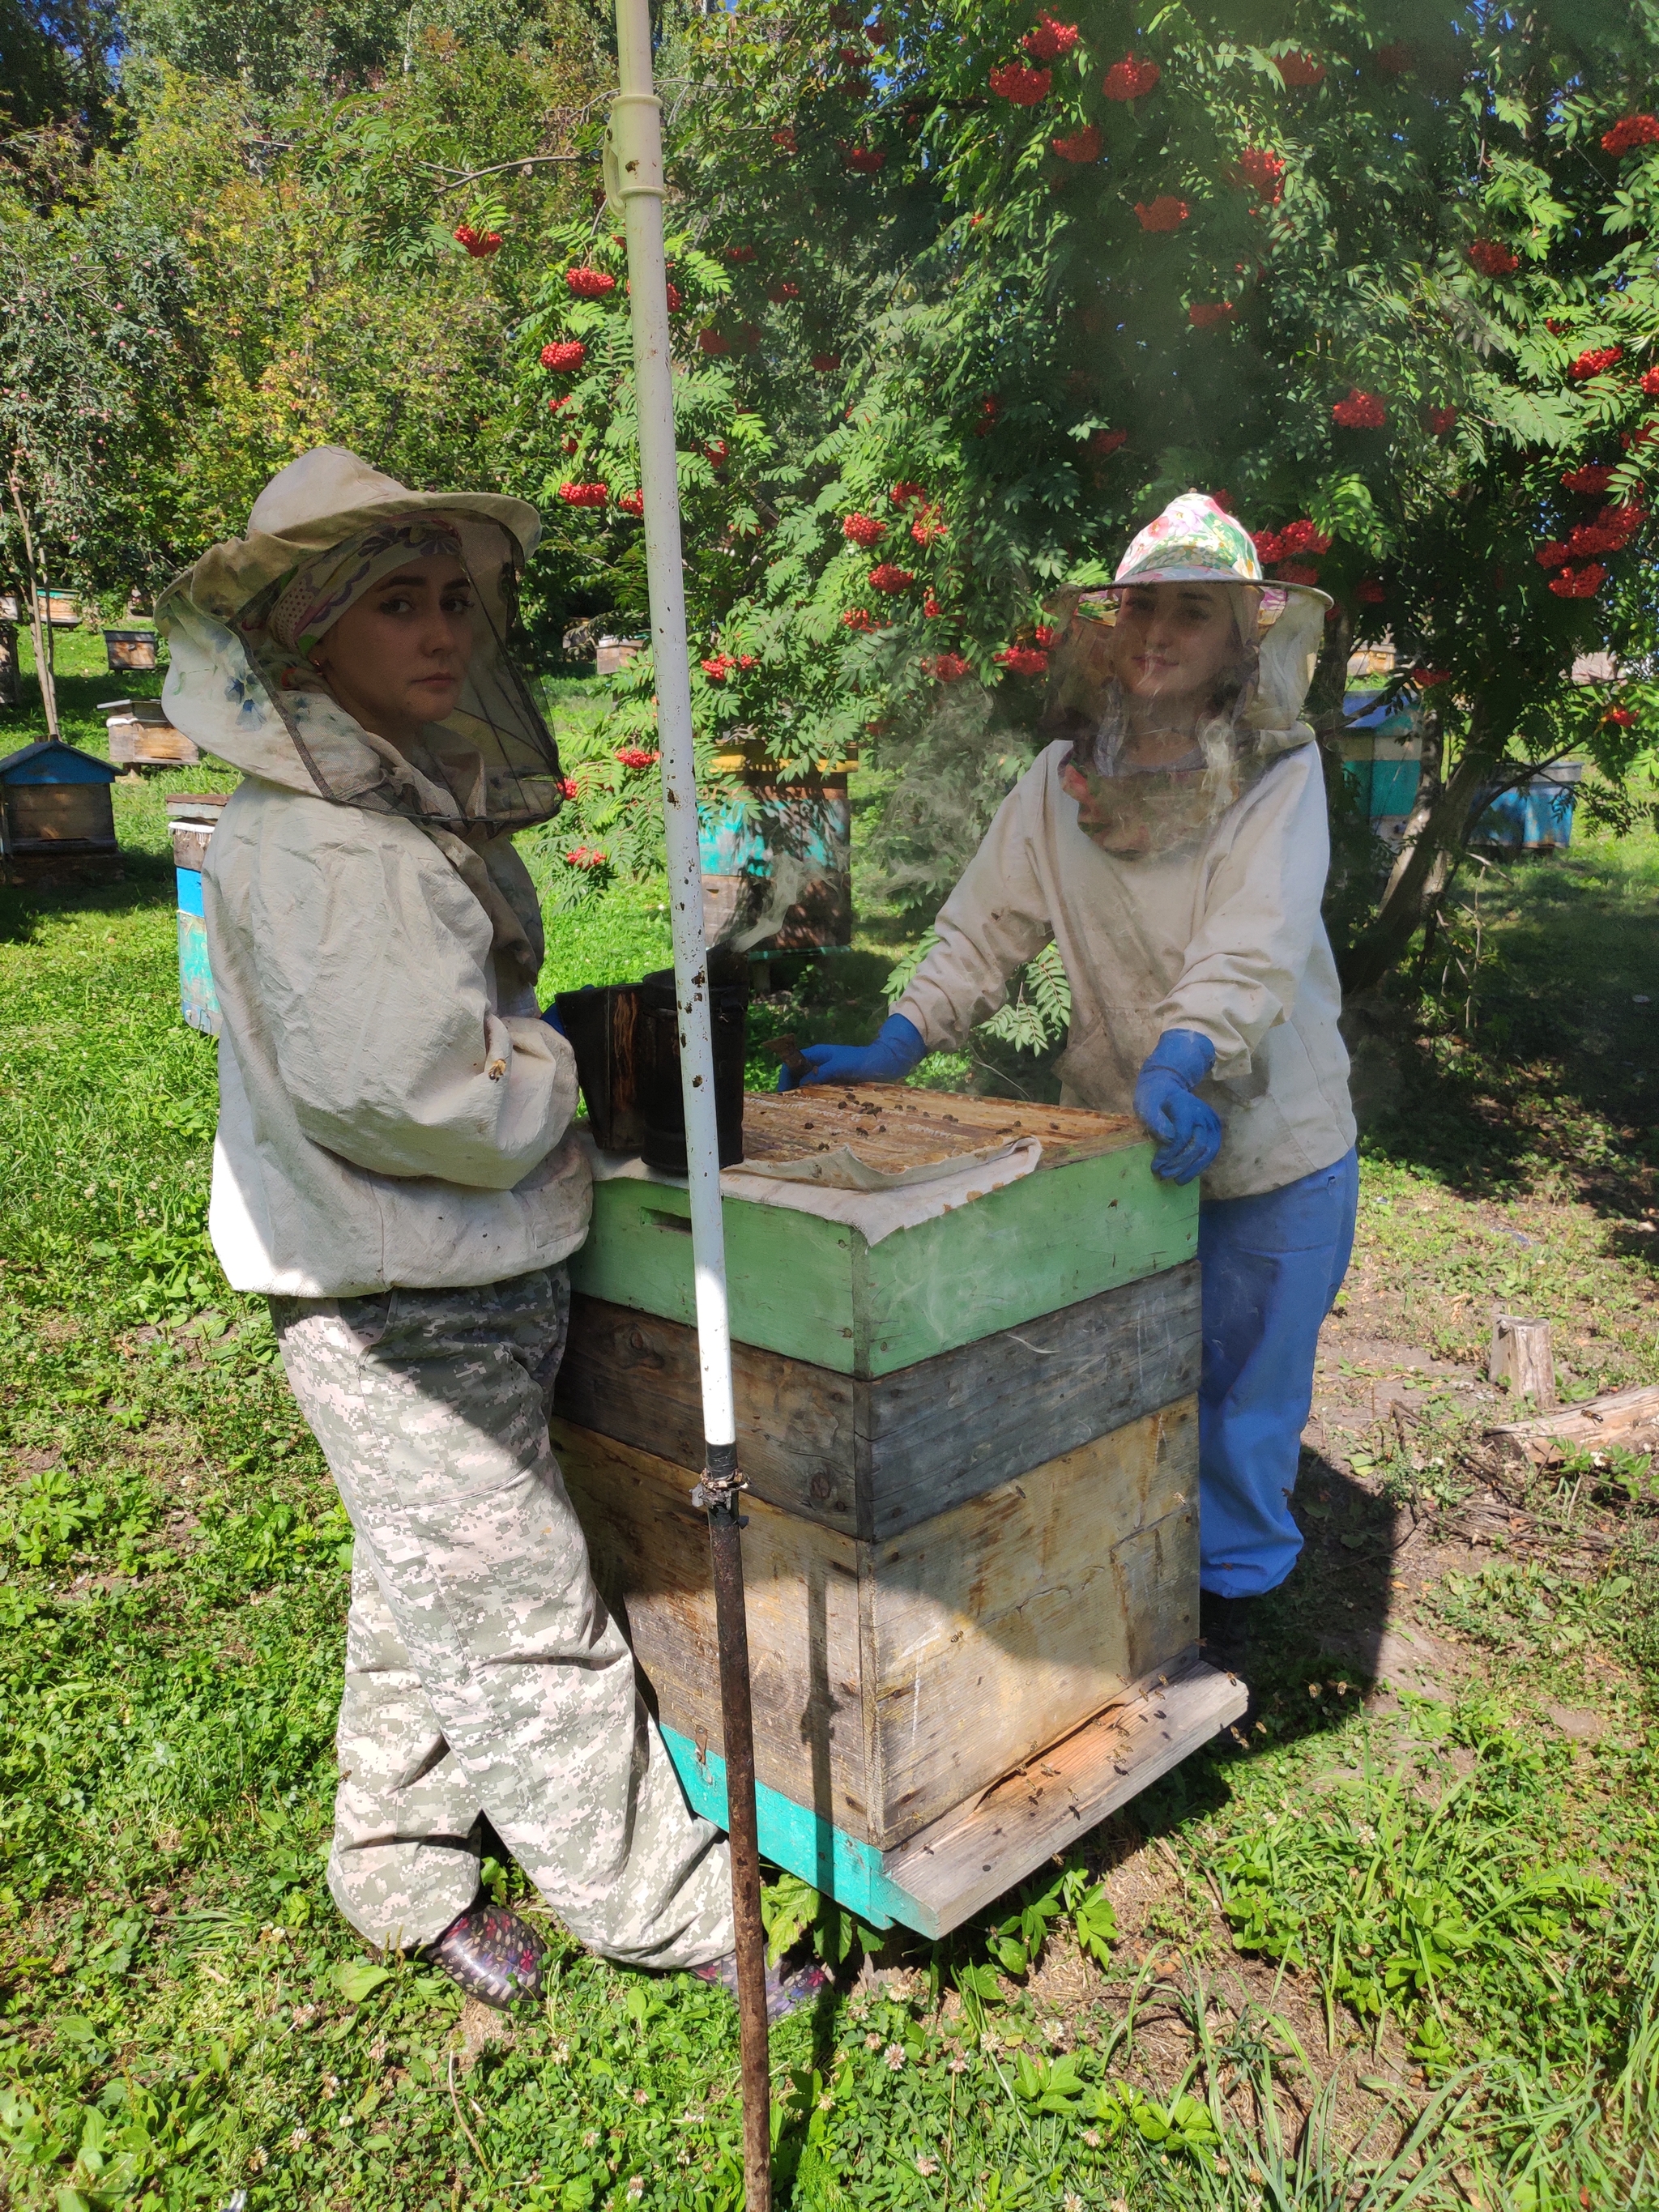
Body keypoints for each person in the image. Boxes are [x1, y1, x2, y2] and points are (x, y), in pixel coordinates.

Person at [159, 446, 821, 2012]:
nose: (443, 630)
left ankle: (395, 1865)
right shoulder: (326, 843)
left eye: (456, 596)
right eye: (397, 601)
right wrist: (570, 1062)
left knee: (426, 1587)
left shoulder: (379, 801)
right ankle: (676, 1917)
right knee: (526, 1616)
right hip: (397, 1294)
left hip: (447, 1272)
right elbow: (411, 1093)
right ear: (305, 634)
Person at [782, 492, 1358, 1714]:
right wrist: (900, 1037)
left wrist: (1184, 1055)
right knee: (1130, 1379)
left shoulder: (1279, 775)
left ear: (1238, 643)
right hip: (1123, 1145)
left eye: (1189, 615)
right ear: (1106, 631)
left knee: (1246, 1394)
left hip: (1273, 1142)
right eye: (1141, 609)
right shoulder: (1062, 781)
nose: (1156, 635)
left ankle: (1242, 1604)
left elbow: (1254, 942)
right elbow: (983, 925)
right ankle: (1130, 1587)